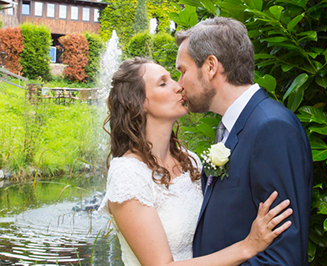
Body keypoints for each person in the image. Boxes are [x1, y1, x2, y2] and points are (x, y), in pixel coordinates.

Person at [98, 57, 294, 266]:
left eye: (174, 79)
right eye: (163, 83)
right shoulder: (127, 174)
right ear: (136, 103)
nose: (178, 86)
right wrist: (247, 246)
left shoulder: (188, 160)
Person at [175, 17, 313, 265]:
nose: (179, 84)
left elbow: (284, 258)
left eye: (182, 71)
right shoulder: (229, 127)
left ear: (210, 66)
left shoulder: (272, 127)